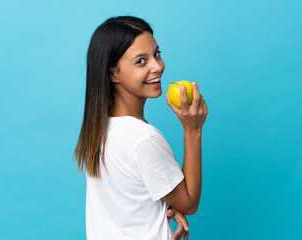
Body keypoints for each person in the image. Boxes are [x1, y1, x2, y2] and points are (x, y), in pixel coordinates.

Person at [73, 16, 208, 240]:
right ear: (112, 73)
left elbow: (129, 203)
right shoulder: (142, 138)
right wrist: (193, 130)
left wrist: (167, 206)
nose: (158, 66)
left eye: (156, 54)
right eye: (141, 61)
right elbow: (190, 201)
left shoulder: (101, 131)